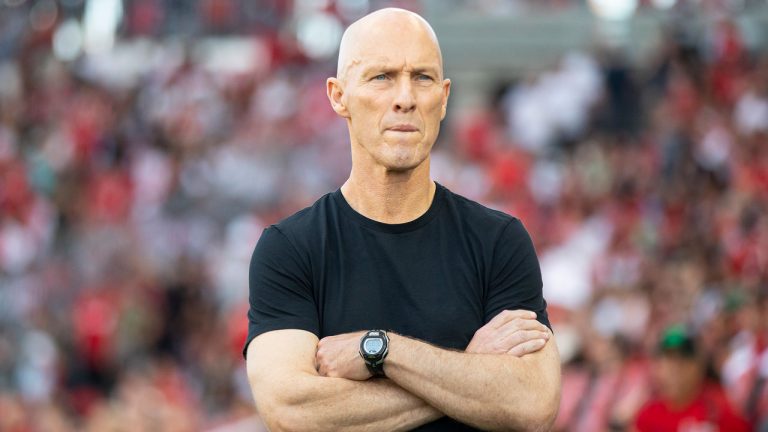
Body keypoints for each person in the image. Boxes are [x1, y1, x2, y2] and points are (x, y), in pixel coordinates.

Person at [243, 8, 561, 431]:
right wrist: (469, 367)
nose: (405, 98)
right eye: (382, 77)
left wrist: (378, 351)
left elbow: (534, 401)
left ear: (444, 98)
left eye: (423, 78)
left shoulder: (498, 241)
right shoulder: (290, 248)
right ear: (339, 96)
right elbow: (293, 411)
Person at [633, 325, 751, 432]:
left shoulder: (719, 409)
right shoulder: (649, 414)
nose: (675, 369)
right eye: (668, 361)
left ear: (699, 366)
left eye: (683, 361)